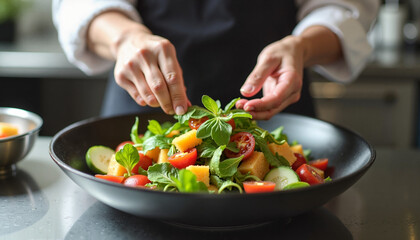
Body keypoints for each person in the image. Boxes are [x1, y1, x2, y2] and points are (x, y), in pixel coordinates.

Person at [53, 0, 380, 120]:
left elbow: (345, 9)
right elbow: (78, 6)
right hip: (144, 106)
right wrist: (124, 38)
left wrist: (301, 47)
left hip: (276, 113)